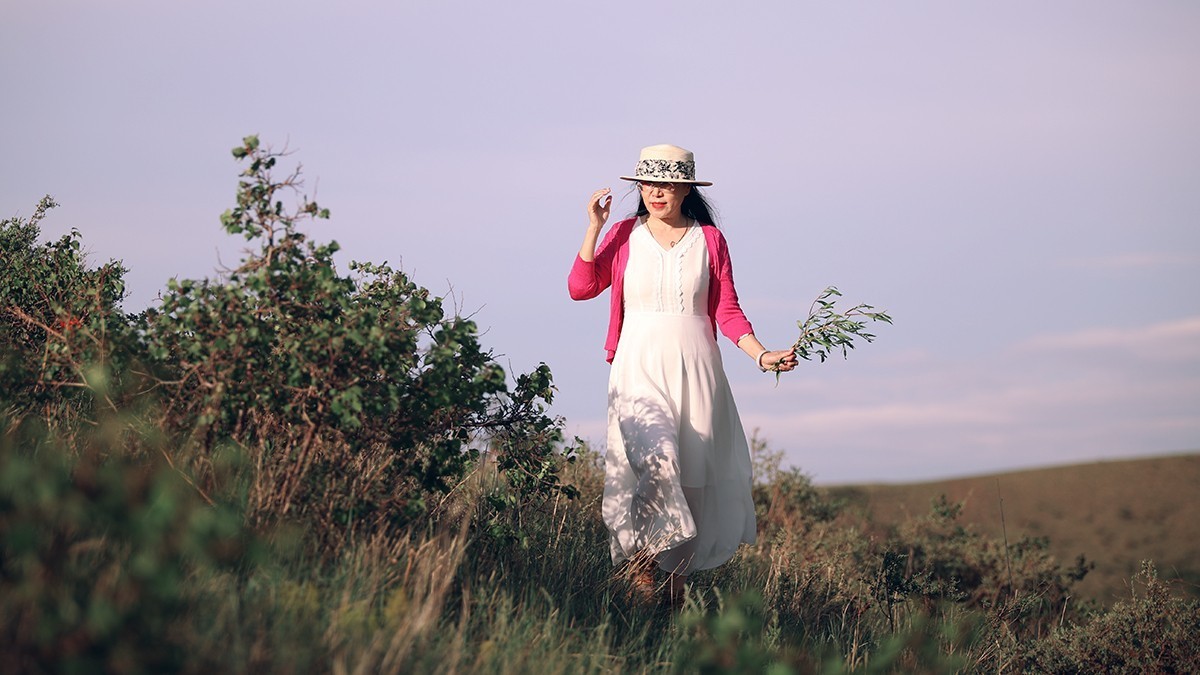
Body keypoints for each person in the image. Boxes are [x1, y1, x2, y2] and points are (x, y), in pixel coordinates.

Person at [567, 144, 798, 604]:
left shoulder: (710, 240)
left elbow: (727, 310)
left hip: (697, 369)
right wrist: (593, 228)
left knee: (690, 483)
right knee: (658, 461)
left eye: (668, 183)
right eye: (649, 183)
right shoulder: (623, 235)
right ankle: (641, 566)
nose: (657, 192)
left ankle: (669, 600)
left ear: (686, 187)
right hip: (638, 365)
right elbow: (581, 287)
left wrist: (760, 354)